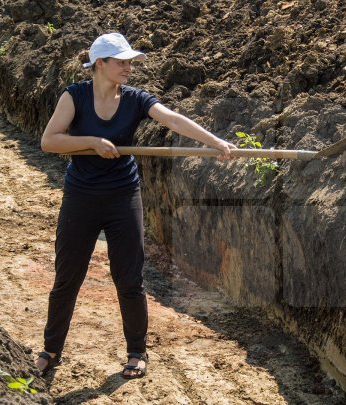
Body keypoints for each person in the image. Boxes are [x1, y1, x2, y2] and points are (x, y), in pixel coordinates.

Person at [36, 32, 236, 379]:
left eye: (131, 61)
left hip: (122, 197)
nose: (130, 67)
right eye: (122, 62)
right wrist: (92, 142)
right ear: (101, 64)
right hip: (81, 198)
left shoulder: (135, 99)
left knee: (129, 278)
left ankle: (137, 351)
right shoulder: (75, 96)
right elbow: (49, 141)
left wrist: (214, 141)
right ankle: (51, 349)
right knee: (67, 278)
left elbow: (171, 119)